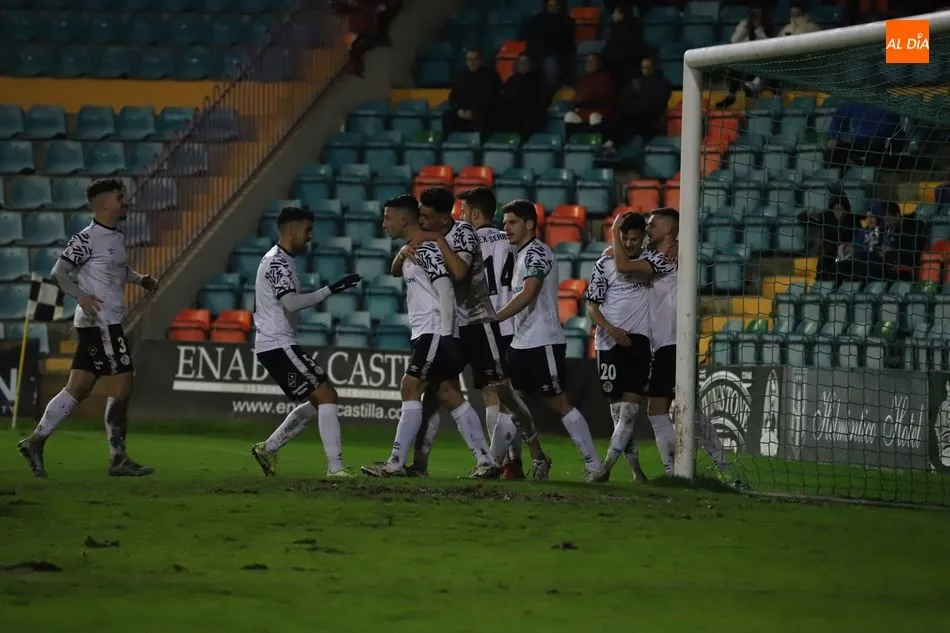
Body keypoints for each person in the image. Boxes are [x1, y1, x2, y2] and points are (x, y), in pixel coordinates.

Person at [398, 187, 555, 480]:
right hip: (459, 326)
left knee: (503, 395)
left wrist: (435, 240)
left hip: (481, 324)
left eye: (462, 211)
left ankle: (534, 454)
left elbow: (459, 273)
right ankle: (423, 464)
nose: (422, 220)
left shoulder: (465, 234)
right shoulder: (438, 236)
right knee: (438, 391)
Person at [17, 178, 158, 478]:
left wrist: (139, 279)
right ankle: (118, 458)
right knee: (123, 386)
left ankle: (35, 442)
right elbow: (59, 273)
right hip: (101, 324)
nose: (125, 202)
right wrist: (80, 295)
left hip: (102, 323)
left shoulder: (115, 236)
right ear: (104, 203)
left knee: (78, 389)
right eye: (120, 197)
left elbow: (116, 268)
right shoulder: (86, 238)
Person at [361, 195, 495, 478]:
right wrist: (402, 253)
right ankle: (486, 460)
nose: (383, 224)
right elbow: (395, 271)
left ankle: (395, 462)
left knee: (409, 387)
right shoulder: (414, 248)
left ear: (403, 220)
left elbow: (446, 289)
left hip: (435, 330)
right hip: (428, 331)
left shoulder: (428, 249)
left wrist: (446, 335)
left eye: (387, 218)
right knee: (447, 393)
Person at [606, 209, 732, 478]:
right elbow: (626, 258)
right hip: (662, 345)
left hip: (675, 342)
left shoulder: (670, 257)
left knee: (671, 411)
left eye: (653, 224)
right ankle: (684, 469)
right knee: (668, 410)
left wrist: (615, 232)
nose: (648, 228)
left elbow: (623, 266)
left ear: (669, 230)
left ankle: (699, 468)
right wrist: (615, 249)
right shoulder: (657, 255)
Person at [250, 206, 361, 477]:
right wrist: (330, 290)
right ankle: (335, 469)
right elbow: (290, 302)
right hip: (278, 342)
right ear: (292, 230)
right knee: (327, 396)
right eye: (307, 230)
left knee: (319, 399)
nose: (310, 236)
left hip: (276, 342)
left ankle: (268, 448)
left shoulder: (280, 259)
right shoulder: (277, 262)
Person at [495, 200, 602, 478]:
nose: (506, 228)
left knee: (559, 403)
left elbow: (529, 292)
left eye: (512, 222)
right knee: (509, 405)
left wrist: (497, 316)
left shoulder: (538, 253)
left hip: (542, 341)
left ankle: (593, 465)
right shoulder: (520, 254)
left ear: (530, 224)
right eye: (504, 223)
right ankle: (495, 464)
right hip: (520, 342)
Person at [583, 212, 650, 483]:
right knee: (618, 414)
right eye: (625, 238)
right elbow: (592, 308)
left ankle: (606, 467)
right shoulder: (604, 264)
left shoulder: (650, 262)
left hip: (639, 342)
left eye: (635, 239)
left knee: (630, 411)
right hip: (608, 343)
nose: (630, 244)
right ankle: (636, 471)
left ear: (643, 237)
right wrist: (611, 330)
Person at [603, 56, 671, 152]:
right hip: (634, 114)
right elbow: (626, 100)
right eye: (644, 67)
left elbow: (657, 103)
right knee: (621, 116)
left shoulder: (663, 83)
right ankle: (612, 145)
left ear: (655, 67)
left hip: (652, 117)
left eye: (649, 67)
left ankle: (613, 144)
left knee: (628, 120)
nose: (647, 70)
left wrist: (639, 106)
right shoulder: (636, 83)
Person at [714, 5, 772, 108]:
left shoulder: (765, 29)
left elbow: (769, 45)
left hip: (760, 62)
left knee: (761, 72)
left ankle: (752, 88)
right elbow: (733, 41)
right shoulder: (743, 26)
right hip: (744, 62)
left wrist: (758, 29)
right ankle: (731, 97)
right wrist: (744, 29)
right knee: (734, 71)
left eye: (758, 14)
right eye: (753, 14)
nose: (755, 18)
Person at [441, 49, 503, 139]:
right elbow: (453, 96)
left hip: (484, 112)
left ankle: (481, 144)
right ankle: (450, 143)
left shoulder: (492, 76)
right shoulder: (460, 76)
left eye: (475, 59)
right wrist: (459, 110)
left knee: (482, 116)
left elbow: (493, 98)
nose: (472, 62)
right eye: (469, 59)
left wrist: (474, 111)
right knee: (447, 116)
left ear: (481, 60)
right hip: (463, 112)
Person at [522, 0, 576, 90]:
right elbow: (531, 41)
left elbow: (567, 45)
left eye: (555, 6)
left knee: (550, 63)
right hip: (537, 54)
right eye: (550, 6)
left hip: (557, 56)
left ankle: (550, 91)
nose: (552, 9)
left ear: (560, 7)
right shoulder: (536, 20)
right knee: (523, 61)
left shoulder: (567, 22)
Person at [499, 53, 551, 140]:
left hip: (532, 122)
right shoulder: (511, 81)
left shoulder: (539, 82)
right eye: (520, 62)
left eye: (526, 62)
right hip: (513, 122)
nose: (522, 65)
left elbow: (543, 103)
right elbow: (505, 101)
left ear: (531, 64)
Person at [563, 53, 617, 131]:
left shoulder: (605, 79)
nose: (589, 64)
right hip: (584, 112)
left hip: (601, 112)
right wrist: (577, 100)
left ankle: (599, 137)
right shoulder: (582, 80)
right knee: (569, 116)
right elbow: (575, 99)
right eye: (587, 61)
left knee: (594, 117)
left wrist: (588, 96)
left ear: (600, 64)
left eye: (592, 61)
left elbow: (606, 98)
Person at [600, 2, 647, 84]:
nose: (613, 15)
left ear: (621, 15)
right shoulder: (634, 26)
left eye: (615, 13)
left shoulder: (621, 29)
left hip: (624, 67)